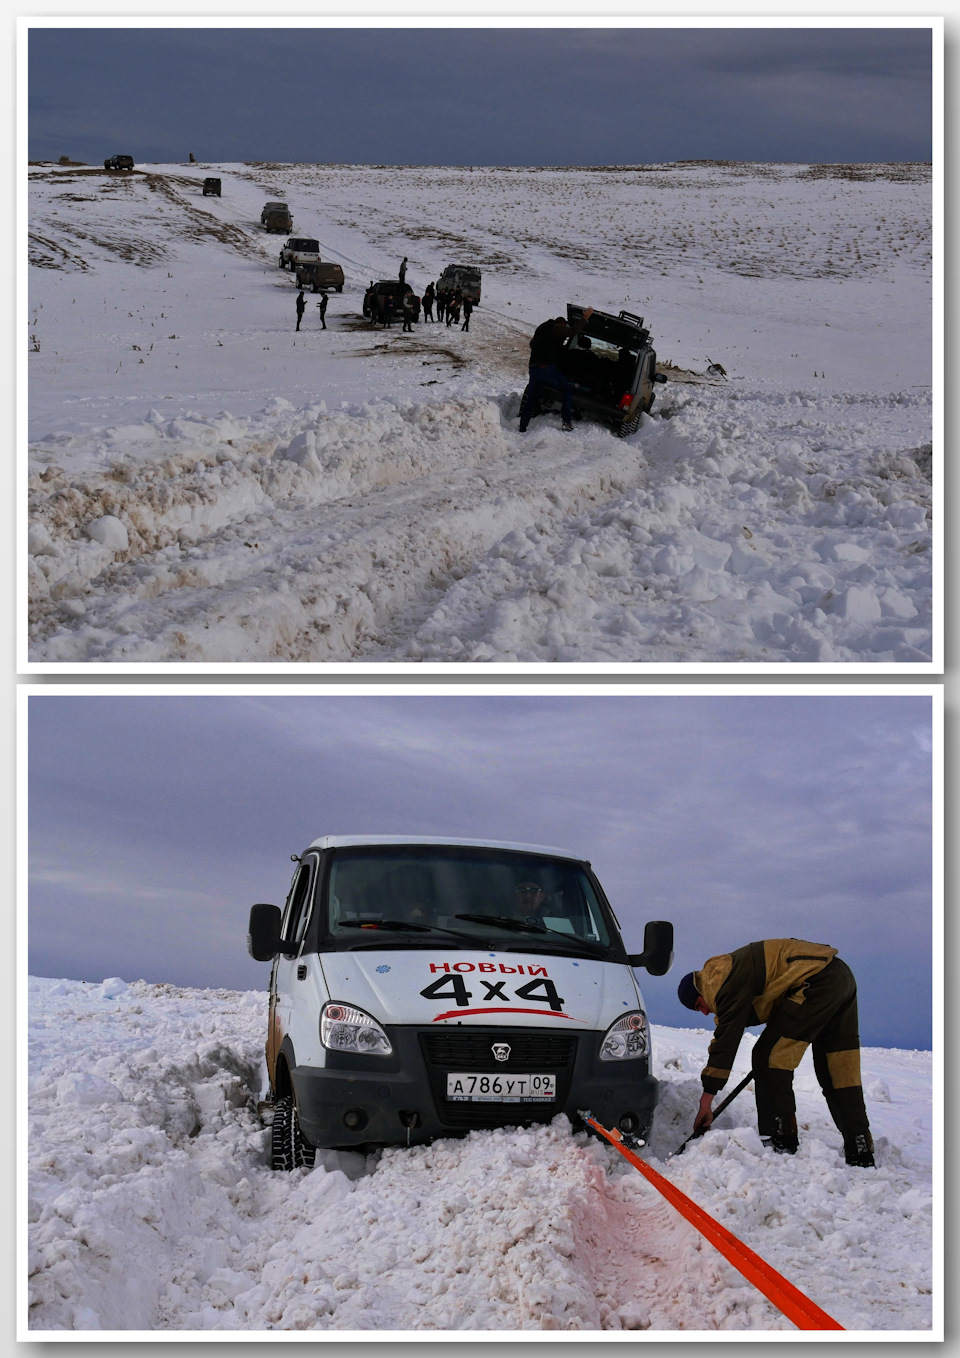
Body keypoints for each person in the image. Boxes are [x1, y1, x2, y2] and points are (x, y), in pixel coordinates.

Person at [677, 939, 875, 1167]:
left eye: (698, 1005)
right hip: (839, 976)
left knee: (768, 1057)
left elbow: (726, 1041)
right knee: (838, 1067)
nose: (703, 1012)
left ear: (700, 991)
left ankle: (780, 1139)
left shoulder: (719, 981)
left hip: (817, 981)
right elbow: (728, 1029)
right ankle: (860, 1147)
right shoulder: (728, 975)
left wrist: (706, 1100)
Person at [518, 308, 594, 433]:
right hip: (546, 369)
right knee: (567, 390)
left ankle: (522, 427)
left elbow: (532, 344)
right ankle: (566, 423)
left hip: (533, 368)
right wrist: (585, 318)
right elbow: (573, 331)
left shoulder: (541, 329)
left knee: (532, 397)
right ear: (562, 324)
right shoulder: (556, 328)